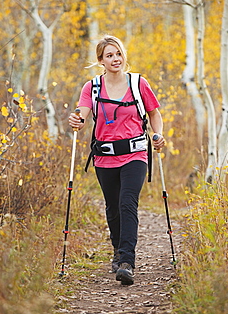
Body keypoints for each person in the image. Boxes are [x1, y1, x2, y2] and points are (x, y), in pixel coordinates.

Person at [69, 35, 165, 285]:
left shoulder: (138, 83)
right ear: (101, 60)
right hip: (104, 156)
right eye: (109, 55)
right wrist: (77, 119)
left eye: (118, 54)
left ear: (124, 56)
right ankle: (117, 250)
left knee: (127, 203)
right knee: (112, 208)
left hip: (135, 154)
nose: (115, 59)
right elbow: (83, 112)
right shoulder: (92, 87)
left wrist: (157, 134)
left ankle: (126, 262)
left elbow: (154, 114)